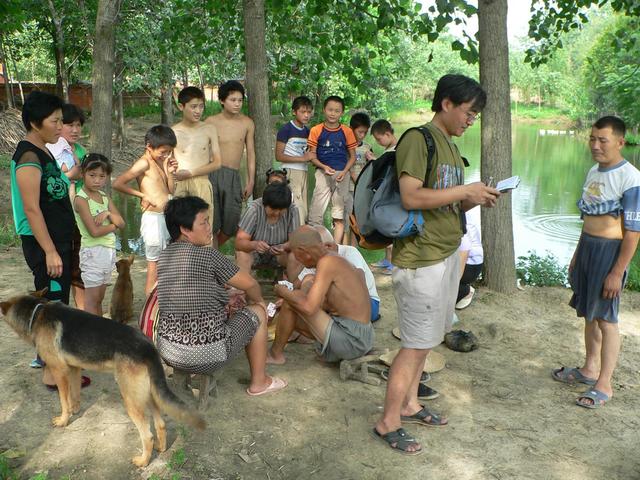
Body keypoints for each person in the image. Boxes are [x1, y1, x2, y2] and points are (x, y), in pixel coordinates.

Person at [373, 74, 500, 455]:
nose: (470, 120)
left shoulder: (448, 145)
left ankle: (411, 404)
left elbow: (443, 201)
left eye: (475, 115)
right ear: (446, 103)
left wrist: (473, 198)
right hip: (420, 260)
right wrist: (465, 189)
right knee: (413, 345)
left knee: (427, 341)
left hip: (445, 256)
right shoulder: (418, 139)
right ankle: (387, 421)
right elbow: (411, 197)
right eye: (468, 111)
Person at [156, 196, 287, 396]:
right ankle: (259, 382)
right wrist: (259, 303)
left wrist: (227, 295)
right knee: (258, 313)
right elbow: (250, 284)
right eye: (204, 222)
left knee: (236, 307)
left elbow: (194, 291)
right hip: (208, 356)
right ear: (184, 229)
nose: (210, 227)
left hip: (169, 351)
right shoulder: (208, 255)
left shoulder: (164, 256)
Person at [552, 116, 640, 409]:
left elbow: (634, 232)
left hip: (610, 252)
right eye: (592, 138)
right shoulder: (593, 171)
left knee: (606, 319)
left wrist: (617, 272)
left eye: (602, 140)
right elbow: (588, 219)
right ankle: (589, 369)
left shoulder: (631, 178)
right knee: (589, 313)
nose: (595, 145)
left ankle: (605, 383)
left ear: (619, 142)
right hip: (588, 248)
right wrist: (577, 255)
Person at [10, 90, 89, 389]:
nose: (60, 126)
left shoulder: (43, 150)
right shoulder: (29, 157)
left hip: (58, 240)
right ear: (34, 122)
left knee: (58, 304)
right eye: (55, 121)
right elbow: (31, 208)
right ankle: (51, 373)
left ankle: (54, 367)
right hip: (45, 244)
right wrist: (50, 252)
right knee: (52, 308)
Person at [267, 226, 374, 365]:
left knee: (291, 303)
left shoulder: (327, 263)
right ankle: (282, 349)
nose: (298, 261)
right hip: (363, 335)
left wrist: (283, 292)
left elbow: (309, 308)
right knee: (300, 293)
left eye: (296, 256)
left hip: (353, 340)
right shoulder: (333, 258)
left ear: (303, 252)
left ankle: (276, 355)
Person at [112, 125, 178, 296]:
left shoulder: (161, 162)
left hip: (166, 217)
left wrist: (170, 172)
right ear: (149, 146)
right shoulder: (144, 162)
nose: (166, 155)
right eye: (163, 151)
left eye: (169, 152)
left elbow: (171, 191)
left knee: (165, 264)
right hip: (153, 219)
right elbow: (118, 183)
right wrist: (142, 195)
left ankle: (160, 302)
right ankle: (149, 310)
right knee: (153, 266)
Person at [46, 103, 88, 309]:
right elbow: (49, 184)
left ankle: (82, 312)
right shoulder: (50, 151)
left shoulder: (80, 150)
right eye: (69, 124)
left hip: (81, 217)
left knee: (81, 268)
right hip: (60, 217)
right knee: (62, 267)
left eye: (78, 125)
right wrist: (70, 176)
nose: (75, 130)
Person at [73, 154, 125, 316]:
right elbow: (94, 232)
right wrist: (113, 226)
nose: (97, 180)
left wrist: (107, 213)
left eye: (102, 176)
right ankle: (90, 336)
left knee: (99, 299)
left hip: (108, 252)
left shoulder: (104, 197)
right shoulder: (81, 200)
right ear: (82, 174)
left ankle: (99, 333)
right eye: (92, 175)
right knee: (92, 300)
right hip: (92, 252)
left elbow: (122, 223)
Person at [206, 80, 256, 246]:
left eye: (240, 100)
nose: (237, 104)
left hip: (233, 176)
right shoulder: (210, 122)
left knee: (231, 225)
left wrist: (250, 181)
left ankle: (212, 253)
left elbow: (250, 153)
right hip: (212, 174)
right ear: (222, 101)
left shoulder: (247, 123)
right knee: (211, 222)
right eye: (232, 100)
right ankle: (211, 260)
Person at [296, 225, 381, 323]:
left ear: (327, 246)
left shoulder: (350, 252)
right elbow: (297, 283)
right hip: (344, 306)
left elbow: (360, 287)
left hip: (368, 304)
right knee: (308, 280)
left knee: (315, 290)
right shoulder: (317, 259)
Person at [307, 96, 357, 244]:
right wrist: (323, 167)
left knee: (339, 215)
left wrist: (344, 171)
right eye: (330, 110)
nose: (333, 113)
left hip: (342, 174)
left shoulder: (347, 131)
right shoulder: (316, 130)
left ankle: (335, 248)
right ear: (324, 110)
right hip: (323, 173)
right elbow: (312, 156)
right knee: (315, 216)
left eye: (337, 111)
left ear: (342, 113)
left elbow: (353, 156)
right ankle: (316, 249)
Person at [172, 86, 221, 234]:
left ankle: (204, 256)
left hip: (202, 183)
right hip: (179, 184)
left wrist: (191, 173)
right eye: (193, 107)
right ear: (181, 106)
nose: (198, 111)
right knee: (180, 230)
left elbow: (217, 163)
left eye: (201, 106)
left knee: (204, 228)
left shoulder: (210, 129)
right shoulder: (173, 132)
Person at [235, 181, 300, 278]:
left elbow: (295, 241)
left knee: (295, 256)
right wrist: (255, 245)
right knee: (242, 254)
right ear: (265, 204)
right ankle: (241, 290)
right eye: (273, 209)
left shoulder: (293, 210)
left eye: (281, 210)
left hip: (280, 253)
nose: (277, 213)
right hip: (254, 252)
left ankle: (293, 289)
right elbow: (239, 242)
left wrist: (283, 246)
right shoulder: (254, 209)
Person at [275, 95, 313, 225]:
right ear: (294, 112)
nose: (306, 115)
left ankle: (301, 238)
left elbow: (309, 154)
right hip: (290, 171)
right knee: (297, 208)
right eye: (303, 112)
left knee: (304, 208)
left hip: (304, 172)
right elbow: (278, 156)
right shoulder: (286, 129)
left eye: (309, 112)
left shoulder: (308, 132)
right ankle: (296, 239)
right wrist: (302, 158)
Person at [369, 119, 398, 275]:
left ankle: (394, 262)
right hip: (385, 194)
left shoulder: (397, 149)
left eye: (379, 139)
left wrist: (374, 161)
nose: (378, 142)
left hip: (392, 195)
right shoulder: (389, 148)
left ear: (388, 134)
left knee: (391, 226)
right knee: (385, 227)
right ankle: (387, 259)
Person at [344, 112, 374, 245]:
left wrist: (372, 159)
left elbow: (372, 168)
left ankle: (353, 251)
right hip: (348, 188)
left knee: (357, 221)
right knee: (346, 220)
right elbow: (345, 165)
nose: (362, 135)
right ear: (351, 129)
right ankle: (342, 249)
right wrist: (354, 177)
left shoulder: (367, 147)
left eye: (365, 132)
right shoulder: (346, 146)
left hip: (361, 190)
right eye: (360, 132)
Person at [456, 205, 483, 310]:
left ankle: (464, 291)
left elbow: (464, 248)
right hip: (471, 259)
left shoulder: (461, 215)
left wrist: (453, 281)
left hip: (470, 264)